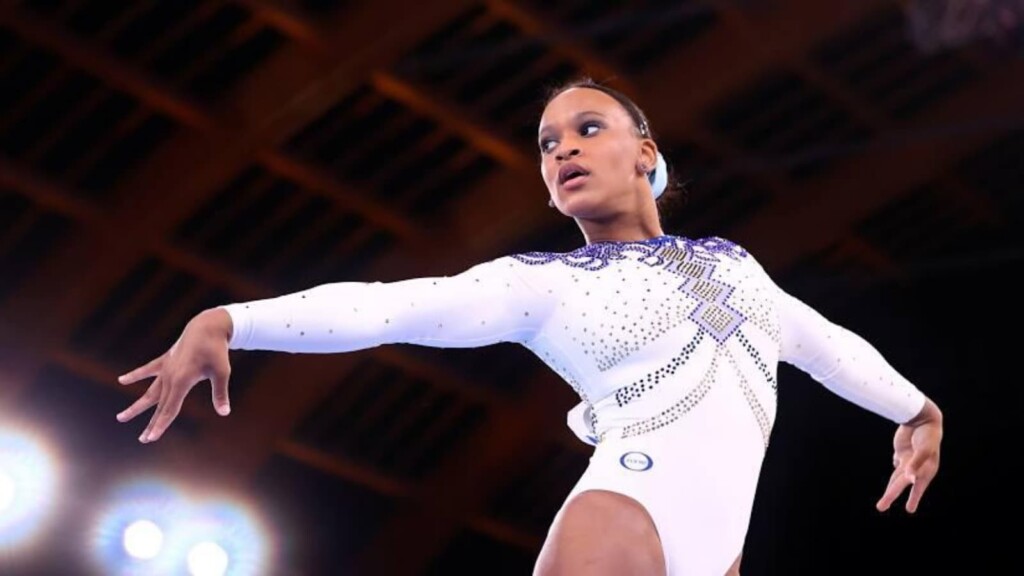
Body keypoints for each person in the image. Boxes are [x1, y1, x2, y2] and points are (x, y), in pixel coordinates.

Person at [115, 78, 943, 576]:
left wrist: (916, 411)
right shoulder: (541, 287)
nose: (564, 152)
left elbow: (828, 345)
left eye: (588, 130)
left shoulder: (735, 264)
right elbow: (387, 304)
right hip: (629, 505)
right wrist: (232, 319)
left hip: (719, 552)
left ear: (645, 153)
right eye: (548, 146)